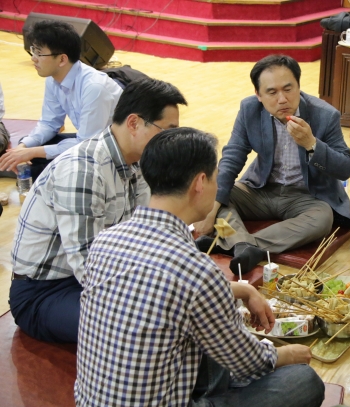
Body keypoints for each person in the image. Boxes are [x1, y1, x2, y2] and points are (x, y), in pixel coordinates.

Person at [75, 128, 325, 407]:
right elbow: (248, 362)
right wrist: (288, 355)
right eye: (217, 177)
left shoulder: (105, 241)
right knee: (303, 381)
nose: (219, 187)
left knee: (207, 345)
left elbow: (171, 290)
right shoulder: (197, 270)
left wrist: (243, 290)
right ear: (200, 182)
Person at [9, 78, 186, 343]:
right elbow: (88, 267)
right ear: (134, 123)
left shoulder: (137, 162)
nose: (171, 141)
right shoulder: (83, 170)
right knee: (151, 322)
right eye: (167, 131)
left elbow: (148, 234)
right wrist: (156, 296)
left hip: (88, 277)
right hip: (44, 291)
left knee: (174, 307)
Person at [194, 54, 350, 275]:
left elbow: (345, 168)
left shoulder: (325, 115)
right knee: (217, 196)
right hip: (260, 189)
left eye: (288, 89)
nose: (282, 99)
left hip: (307, 197)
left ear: (299, 86)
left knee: (322, 219)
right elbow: (232, 157)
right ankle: (242, 246)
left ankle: (237, 243)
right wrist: (212, 210)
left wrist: (311, 144)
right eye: (272, 92)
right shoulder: (249, 109)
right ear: (258, 95)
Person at [0, 20, 123, 180]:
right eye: (33, 51)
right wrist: (23, 147)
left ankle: (32, 171)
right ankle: (30, 169)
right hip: (91, 141)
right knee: (31, 143)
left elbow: (86, 144)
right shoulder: (53, 79)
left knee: (49, 159)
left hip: (114, 148)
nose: (34, 59)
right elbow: (49, 124)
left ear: (62, 59)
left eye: (39, 53)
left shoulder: (94, 87)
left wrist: (31, 152)